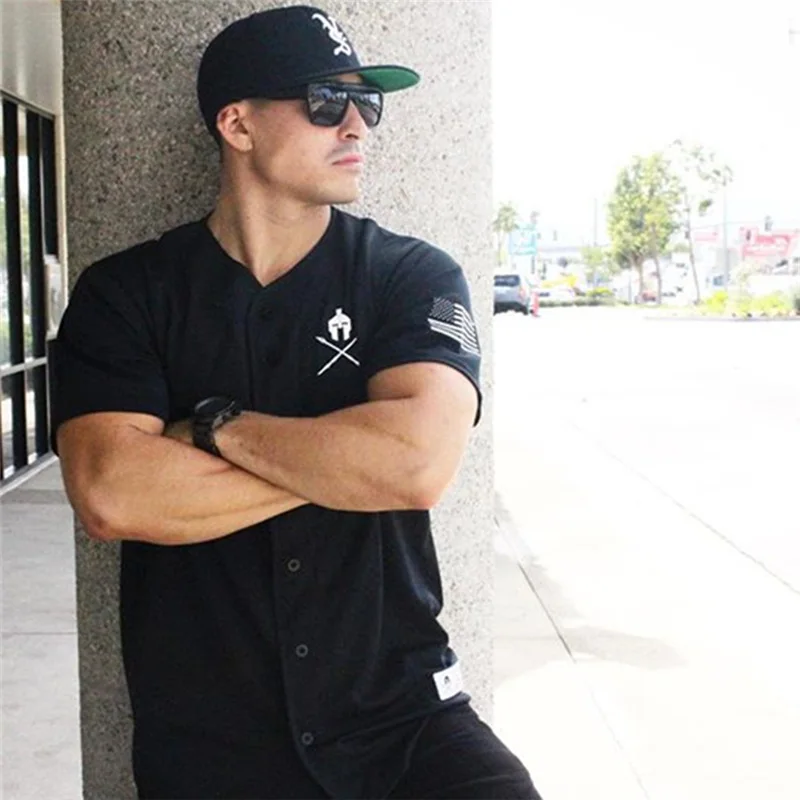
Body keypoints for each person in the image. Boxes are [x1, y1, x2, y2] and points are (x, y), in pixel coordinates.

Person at [50, 5, 540, 799]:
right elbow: (113, 494)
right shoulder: (126, 294)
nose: (356, 124)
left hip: (403, 720)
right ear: (237, 124)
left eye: (366, 103)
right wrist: (349, 464)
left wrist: (212, 430)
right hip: (211, 742)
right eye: (324, 100)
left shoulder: (409, 276)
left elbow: (416, 465)